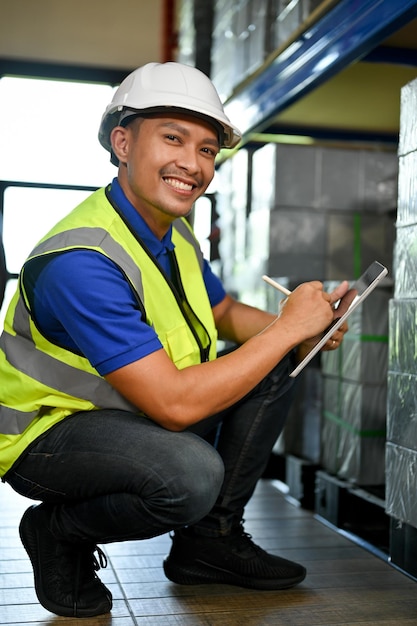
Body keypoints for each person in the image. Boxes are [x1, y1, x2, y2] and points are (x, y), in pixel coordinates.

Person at [0, 62, 349, 618]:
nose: (193, 164)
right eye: (172, 138)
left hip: (128, 413)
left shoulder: (173, 230)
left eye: (208, 150)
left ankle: (208, 543)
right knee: (189, 475)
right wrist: (286, 327)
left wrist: (308, 327)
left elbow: (225, 312)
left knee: (281, 362)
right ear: (122, 142)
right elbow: (175, 404)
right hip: (49, 434)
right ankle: (58, 532)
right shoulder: (82, 260)